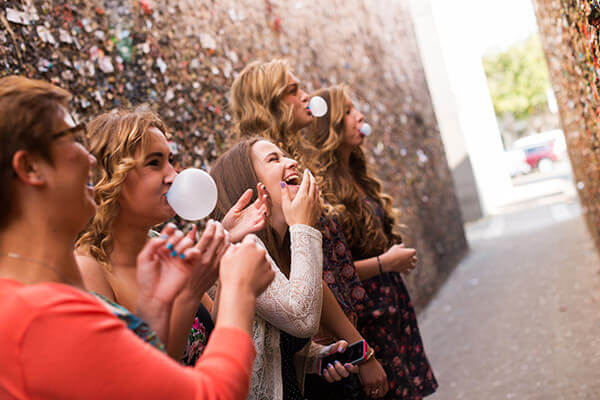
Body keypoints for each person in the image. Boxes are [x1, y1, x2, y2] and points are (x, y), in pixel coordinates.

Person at [0, 75, 275, 399]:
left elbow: (146, 379)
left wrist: (166, 304)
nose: (90, 159)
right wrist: (239, 290)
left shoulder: (35, 294)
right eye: (73, 138)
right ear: (30, 167)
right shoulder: (40, 315)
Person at [231, 59, 388, 399]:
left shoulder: (293, 156)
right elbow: (296, 264)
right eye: (293, 90)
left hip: (333, 334)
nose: (306, 96)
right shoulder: (262, 168)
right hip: (319, 332)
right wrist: (362, 349)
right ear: (268, 103)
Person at [304, 84, 438, 399]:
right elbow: (328, 272)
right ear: (331, 122)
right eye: (349, 110)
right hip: (366, 315)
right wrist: (385, 263)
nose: (360, 116)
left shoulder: (357, 173)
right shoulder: (320, 188)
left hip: (391, 305)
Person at [75, 107, 230, 361]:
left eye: (170, 161)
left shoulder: (160, 244)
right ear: (114, 177)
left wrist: (225, 254)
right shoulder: (89, 269)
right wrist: (190, 293)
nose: (174, 176)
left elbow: (216, 328)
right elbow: (144, 377)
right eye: (154, 163)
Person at [210, 138, 359, 400]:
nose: (292, 162)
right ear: (251, 184)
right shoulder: (246, 247)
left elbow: (271, 347)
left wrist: (317, 357)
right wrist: (303, 226)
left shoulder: (279, 245)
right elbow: (302, 320)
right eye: (273, 159)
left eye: (287, 156)